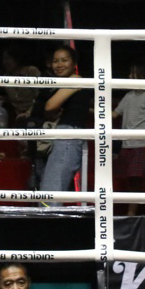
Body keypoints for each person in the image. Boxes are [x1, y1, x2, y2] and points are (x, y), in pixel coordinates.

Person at [32, 44, 92, 194]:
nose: (59, 65)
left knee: (51, 191)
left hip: (67, 137)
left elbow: (49, 106)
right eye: (55, 61)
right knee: (51, 188)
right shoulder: (65, 84)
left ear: (74, 63)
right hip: (65, 137)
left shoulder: (75, 80)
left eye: (64, 60)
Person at [113, 59, 145, 216]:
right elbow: (114, 114)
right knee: (132, 180)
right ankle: (131, 215)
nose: (129, 76)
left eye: (132, 73)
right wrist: (92, 109)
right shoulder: (128, 96)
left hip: (143, 144)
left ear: (140, 75)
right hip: (128, 145)